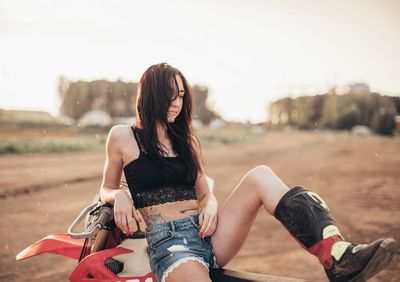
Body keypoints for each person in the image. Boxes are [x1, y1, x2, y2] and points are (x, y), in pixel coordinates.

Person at [99, 62, 397, 282]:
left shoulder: (186, 140)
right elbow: (105, 188)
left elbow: (205, 194)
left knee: (260, 175)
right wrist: (119, 195)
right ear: (150, 95)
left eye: (180, 96)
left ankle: (337, 256)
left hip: (207, 234)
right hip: (168, 243)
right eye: (169, 96)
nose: (176, 104)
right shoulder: (123, 136)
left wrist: (212, 206)